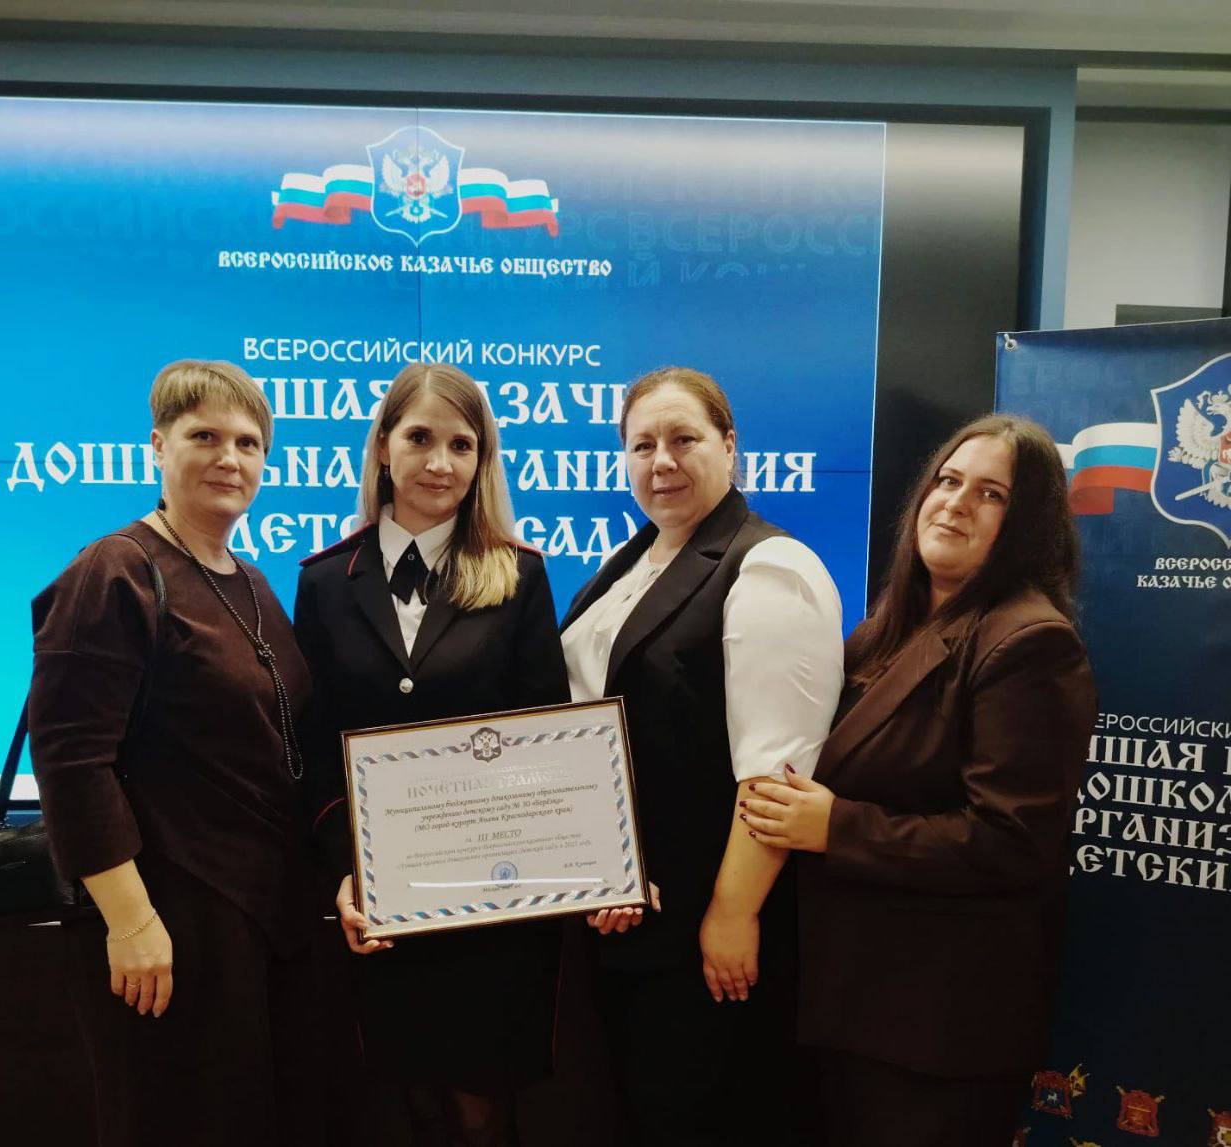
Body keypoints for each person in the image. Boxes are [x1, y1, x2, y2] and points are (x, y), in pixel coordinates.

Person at [740, 414, 1097, 1147]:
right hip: (852, 1007)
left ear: (1029, 523)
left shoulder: (1030, 641)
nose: (957, 503)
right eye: (949, 480)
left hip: (937, 1032)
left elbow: (1010, 841)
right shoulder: (889, 625)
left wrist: (836, 827)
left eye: (991, 494)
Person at [29, 360, 321, 1147]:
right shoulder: (114, 570)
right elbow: (71, 758)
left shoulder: (251, 581)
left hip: (259, 922)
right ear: (158, 445)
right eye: (205, 436)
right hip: (168, 924)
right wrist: (131, 923)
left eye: (249, 443)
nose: (230, 457)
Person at [560, 366, 844, 1146]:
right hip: (631, 926)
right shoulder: (634, 561)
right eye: (641, 444)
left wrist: (731, 913)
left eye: (684, 438)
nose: (662, 461)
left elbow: (774, 780)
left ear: (729, 445)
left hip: (704, 936)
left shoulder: (770, 569)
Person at [295, 361, 569, 1147]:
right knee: (408, 1106)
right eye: (419, 438)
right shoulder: (324, 581)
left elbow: (545, 737)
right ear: (384, 446)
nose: (440, 462)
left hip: (495, 905)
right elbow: (314, 747)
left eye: (462, 444)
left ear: (482, 459)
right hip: (383, 898)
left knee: (484, 1112)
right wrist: (347, 869)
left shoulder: (520, 575)